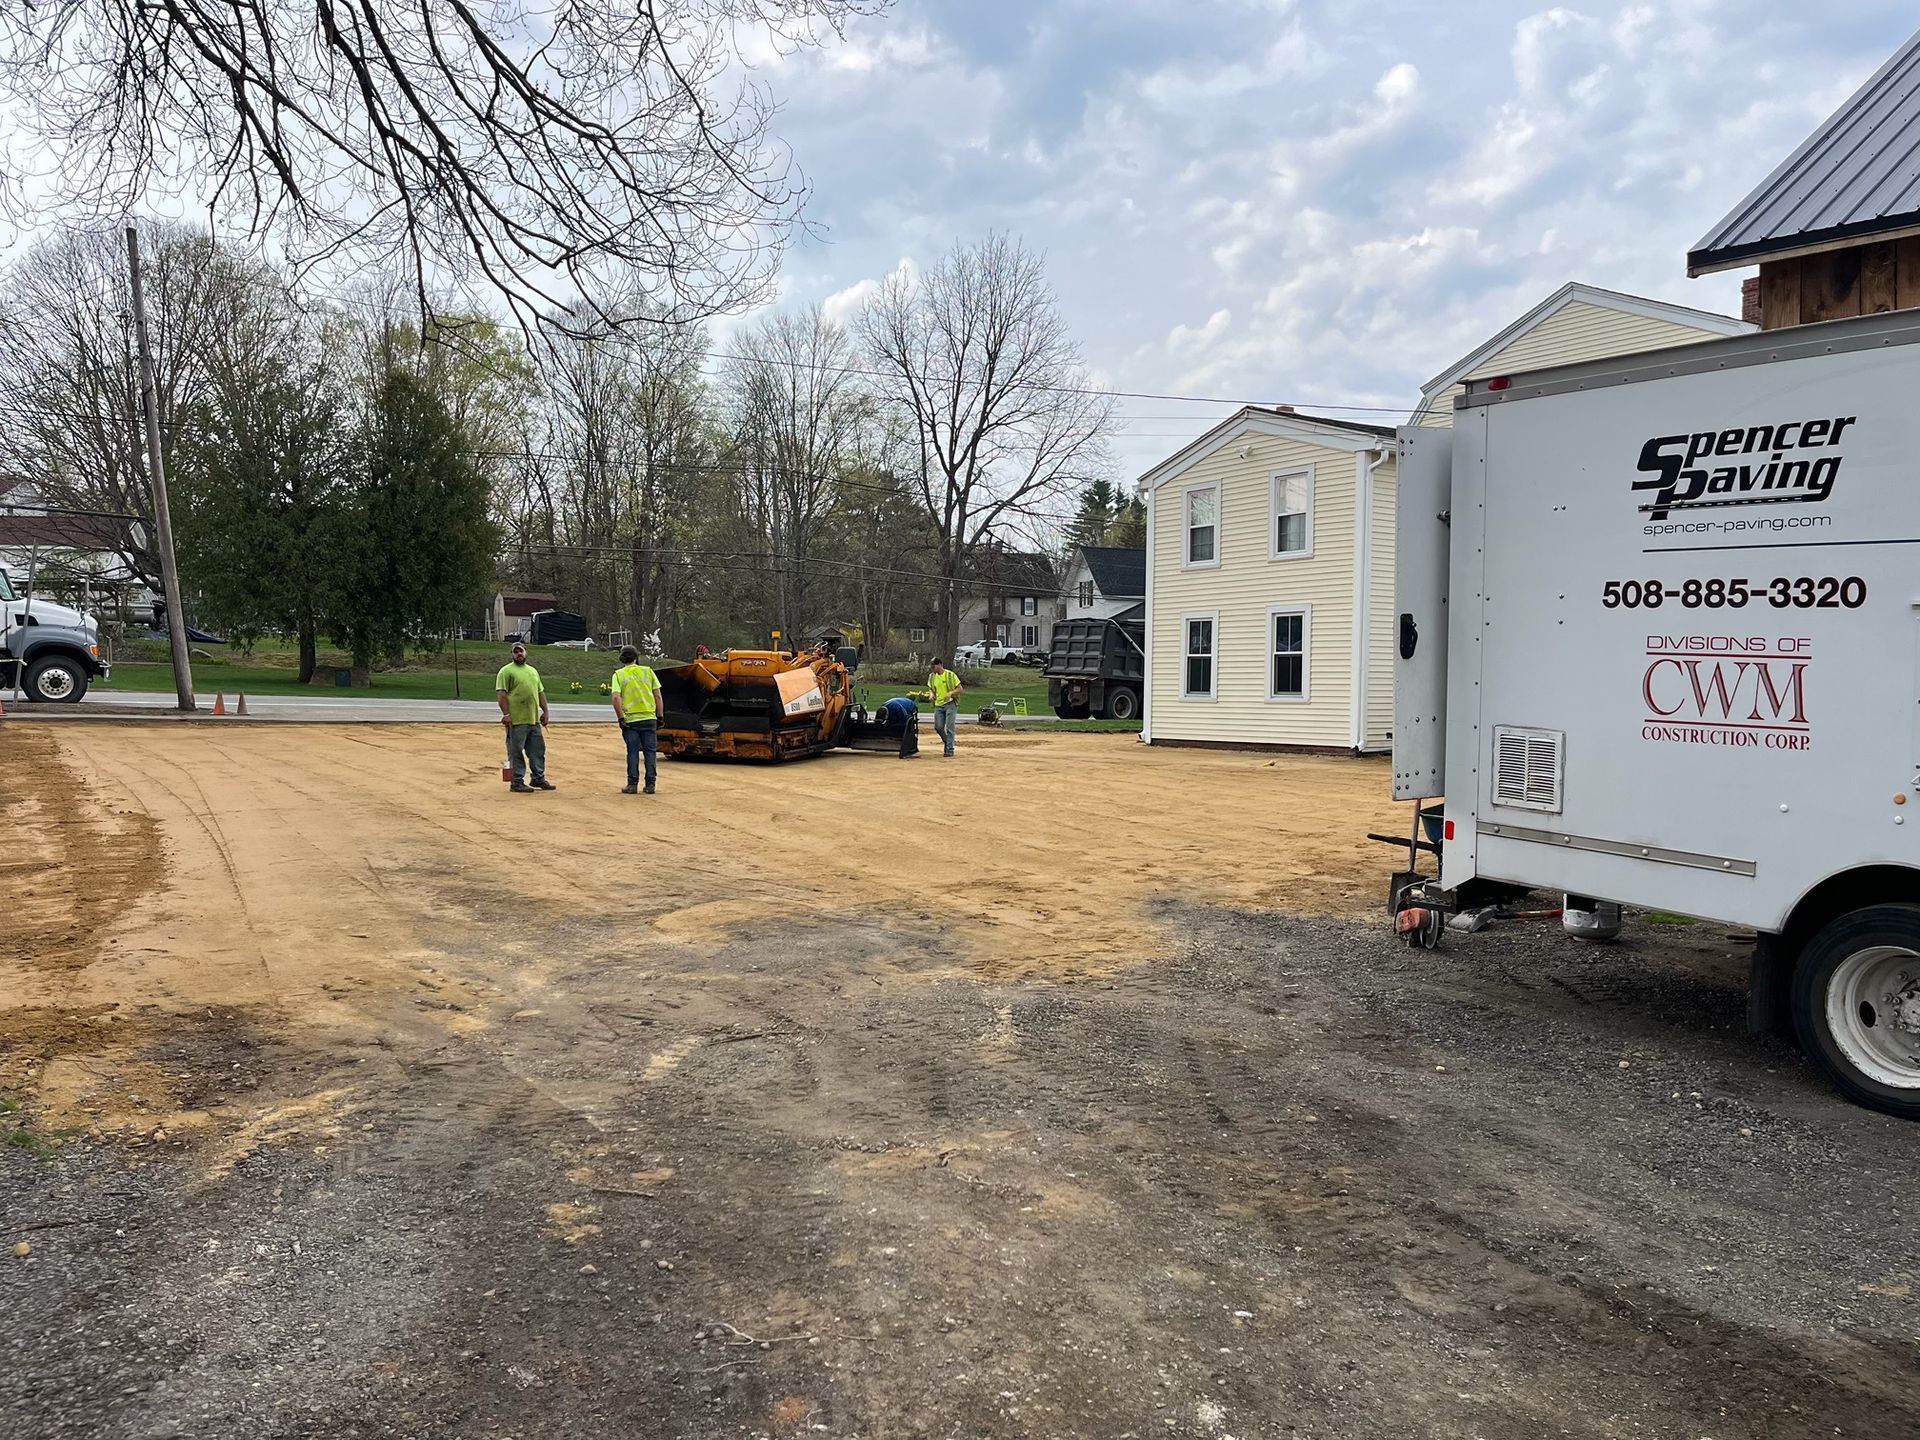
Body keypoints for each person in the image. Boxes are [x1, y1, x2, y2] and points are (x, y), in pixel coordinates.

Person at [495, 641, 554, 792]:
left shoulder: (533, 671)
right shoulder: (506, 672)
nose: (519, 654)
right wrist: (506, 714)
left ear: (526, 652)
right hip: (516, 721)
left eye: (521, 651)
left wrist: (545, 711)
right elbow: (501, 695)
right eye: (515, 652)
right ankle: (516, 781)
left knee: (537, 750)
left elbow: (540, 692)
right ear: (511, 654)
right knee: (516, 751)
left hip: (533, 719)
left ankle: (538, 778)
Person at [610, 645, 665, 794]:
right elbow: (658, 696)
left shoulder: (618, 675)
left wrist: (621, 718)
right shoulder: (648, 672)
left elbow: (616, 697)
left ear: (622, 658)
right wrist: (660, 716)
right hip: (649, 718)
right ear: (636, 657)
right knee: (650, 752)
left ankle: (632, 784)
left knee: (632, 751)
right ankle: (650, 784)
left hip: (631, 721)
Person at [927, 658, 964, 757]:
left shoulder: (950, 675)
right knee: (938, 727)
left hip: (950, 704)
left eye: (933, 666)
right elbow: (930, 688)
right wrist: (931, 694)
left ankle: (949, 750)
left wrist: (951, 693)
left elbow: (960, 689)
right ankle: (947, 741)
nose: (932, 669)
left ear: (939, 665)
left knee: (950, 726)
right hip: (938, 705)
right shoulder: (932, 677)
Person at [875, 694, 919, 758]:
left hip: (910, 706)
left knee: (906, 726)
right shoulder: (881, 708)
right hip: (895, 705)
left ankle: (912, 744)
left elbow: (905, 721)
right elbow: (878, 722)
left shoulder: (898, 708)